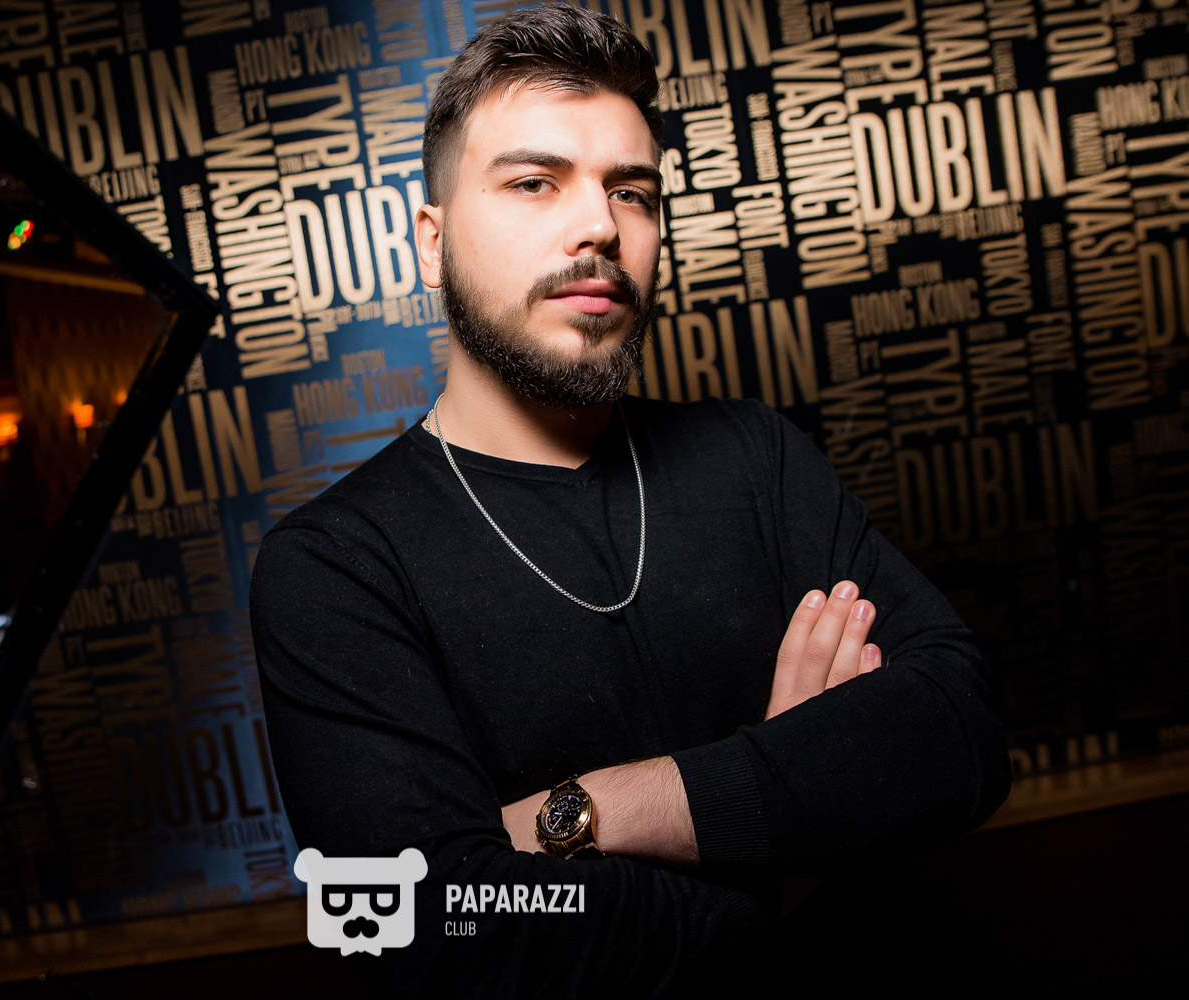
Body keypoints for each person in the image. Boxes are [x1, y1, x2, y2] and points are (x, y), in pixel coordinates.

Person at [251, 5, 1010, 994]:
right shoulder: (335, 569)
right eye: (534, 182)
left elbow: (961, 728)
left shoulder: (755, 458)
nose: (600, 226)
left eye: (632, 192)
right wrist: (795, 819)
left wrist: (593, 810)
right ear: (432, 243)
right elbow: (440, 931)